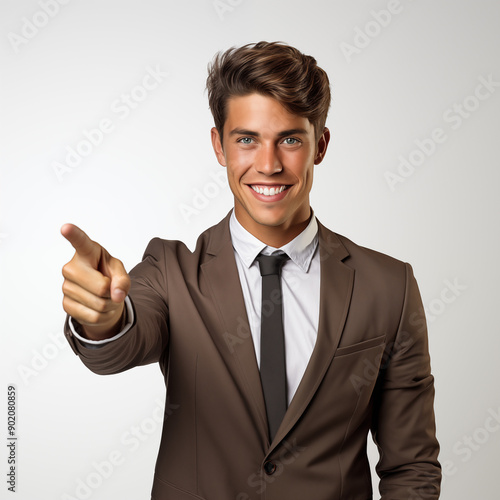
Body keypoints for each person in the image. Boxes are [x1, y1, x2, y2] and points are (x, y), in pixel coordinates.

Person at [61, 41, 441, 499]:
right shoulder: (170, 271)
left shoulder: (388, 286)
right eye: (246, 139)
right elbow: (118, 348)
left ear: (319, 145)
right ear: (219, 146)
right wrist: (102, 321)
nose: (268, 165)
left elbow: (412, 467)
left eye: (290, 139)